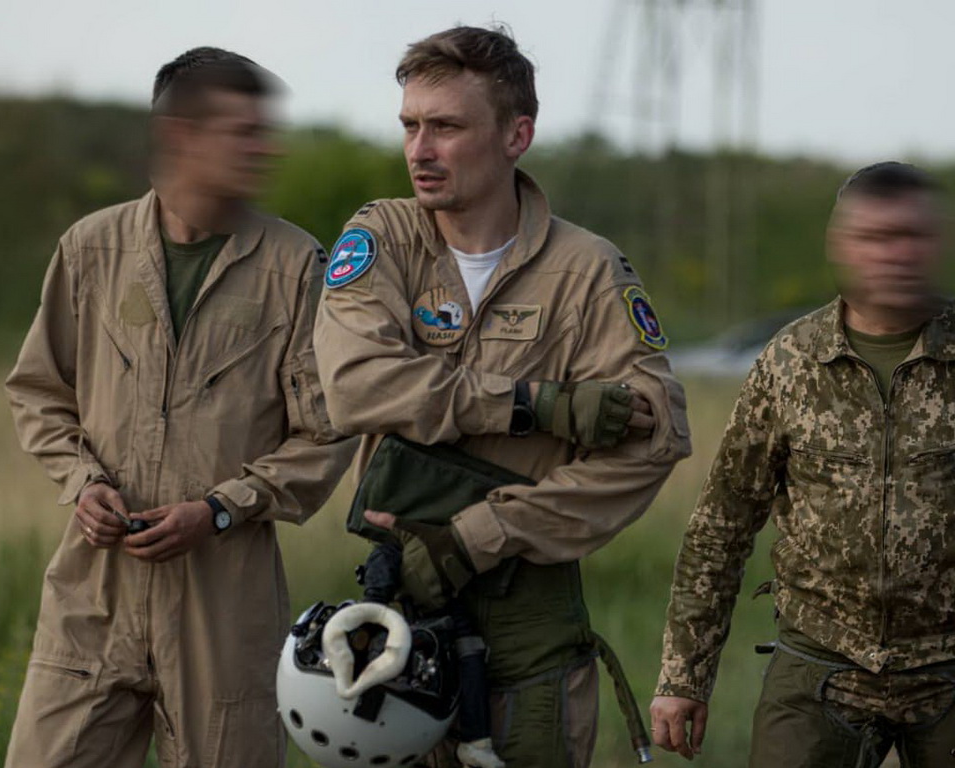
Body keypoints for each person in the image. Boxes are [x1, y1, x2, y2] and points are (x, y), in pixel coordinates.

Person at [313, 25, 691, 768]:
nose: (420, 149)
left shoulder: (587, 270)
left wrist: (481, 535)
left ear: (517, 134)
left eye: (446, 127)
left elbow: (657, 437)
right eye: (410, 126)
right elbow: (356, 385)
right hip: (398, 607)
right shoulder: (381, 238)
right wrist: (534, 405)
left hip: (531, 612)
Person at [3, 47, 355, 768]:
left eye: (266, 130)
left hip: (224, 606)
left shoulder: (297, 267)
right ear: (180, 137)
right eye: (243, 131)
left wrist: (221, 509)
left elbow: (325, 434)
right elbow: (38, 390)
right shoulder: (91, 249)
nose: (265, 148)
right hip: (92, 595)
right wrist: (83, 482)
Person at [650, 161, 955, 767]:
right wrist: (683, 676)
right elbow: (722, 526)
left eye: (909, 236)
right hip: (821, 662)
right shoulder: (790, 362)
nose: (893, 254)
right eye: (874, 237)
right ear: (840, 245)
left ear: (936, 243)